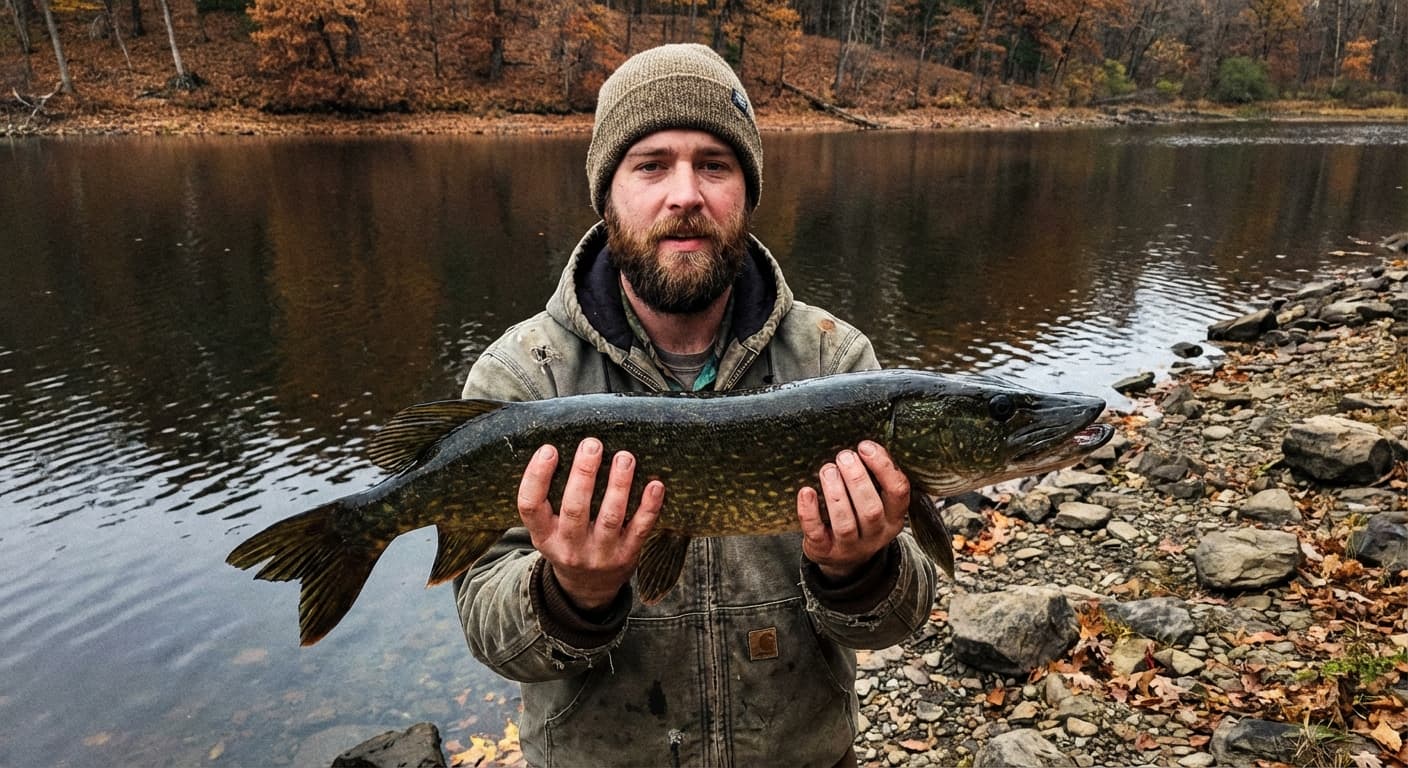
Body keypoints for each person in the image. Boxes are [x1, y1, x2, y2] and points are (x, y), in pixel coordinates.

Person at [453, 43, 939, 767]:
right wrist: (570, 596)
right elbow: (489, 630)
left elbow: (898, 619)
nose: (686, 193)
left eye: (714, 164)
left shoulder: (835, 361)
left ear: (745, 191)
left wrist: (858, 571)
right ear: (608, 192)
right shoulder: (523, 377)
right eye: (651, 164)